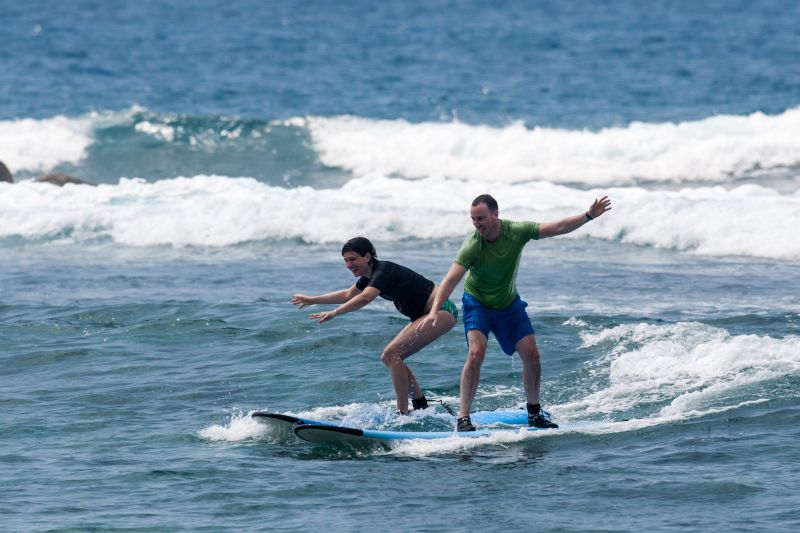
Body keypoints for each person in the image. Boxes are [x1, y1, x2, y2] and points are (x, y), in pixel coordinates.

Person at [421, 194, 612, 431]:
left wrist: (588, 216)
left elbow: (558, 227)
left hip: (509, 304)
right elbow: (450, 280)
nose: (476, 223)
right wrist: (434, 311)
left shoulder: (517, 231)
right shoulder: (473, 245)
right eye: (472, 219)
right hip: (477, 303)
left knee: (532, 356)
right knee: (476, 354)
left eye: (480, 218)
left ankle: (534, 414)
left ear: (496, 215)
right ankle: (463, 418)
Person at [291, 237, 458, 414]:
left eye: (353, 259)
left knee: (392, 354)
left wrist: (334, 313)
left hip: (441, 311)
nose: (349, 264)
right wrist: (312, 300)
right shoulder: (368, 277)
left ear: (367, 256)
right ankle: (419, 404)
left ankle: (403, 412)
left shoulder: (383, 270)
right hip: (427, 315)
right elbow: (348, 294)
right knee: (390, 357)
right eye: (346, 260)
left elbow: (365, 298)